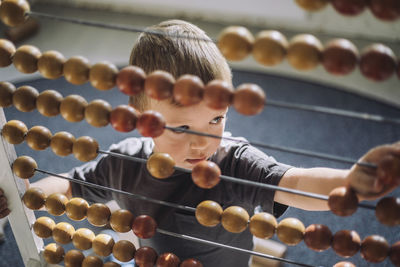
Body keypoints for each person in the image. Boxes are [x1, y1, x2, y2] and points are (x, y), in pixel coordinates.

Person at [0, 20, 399, 266]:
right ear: (142, 121)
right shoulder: (123, 162)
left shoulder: (236, 162)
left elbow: (295, 183)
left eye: (217, 118)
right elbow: (71, 182)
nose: (204, 141)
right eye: (182, 128)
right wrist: (26, 194)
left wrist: (348, 179)